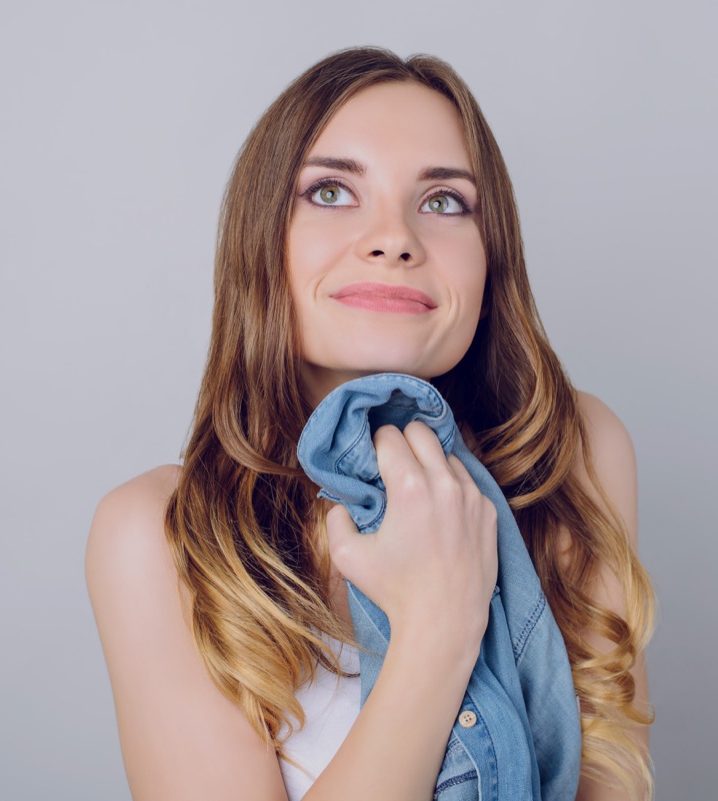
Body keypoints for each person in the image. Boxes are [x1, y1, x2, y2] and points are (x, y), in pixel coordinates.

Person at [85, 46, 656, 801]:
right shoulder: (158, 535)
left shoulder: (575, 455)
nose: (395, 238)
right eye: (331, 192)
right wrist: (438, 627)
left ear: (492, 263)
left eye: (444, 201)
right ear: (261, 244)